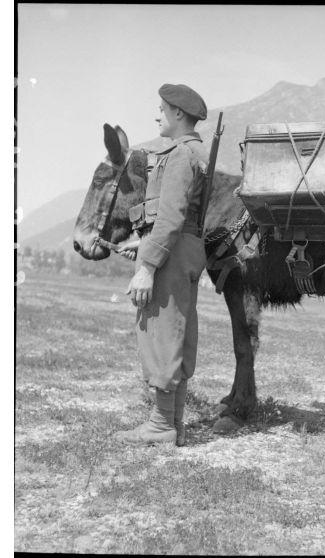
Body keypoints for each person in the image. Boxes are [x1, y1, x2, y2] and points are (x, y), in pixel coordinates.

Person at [114, 83, 209, 445]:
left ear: (178, 114)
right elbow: (177, 220)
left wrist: (147, 265)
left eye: (162, 109)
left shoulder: (181, 155)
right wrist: (143, 243)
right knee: (177, 332)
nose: (157, 115)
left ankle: (160, 425)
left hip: (170, 253)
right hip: (181, 247)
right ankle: (175, 424)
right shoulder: (196, 152)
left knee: (160, 332)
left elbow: (170, 217)